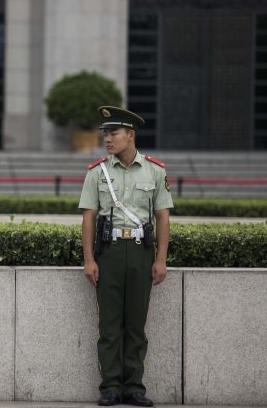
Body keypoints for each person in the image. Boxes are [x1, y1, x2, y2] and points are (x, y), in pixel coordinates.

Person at [78, 106, 173, 407]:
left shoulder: (155, 171)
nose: (107, 139)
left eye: (113, 133)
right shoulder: (97, 172)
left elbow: (163, 218)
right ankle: (110, 388)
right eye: (105, 134)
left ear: (130, 135)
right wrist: (90, 259)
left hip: (142, 253)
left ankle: (134, 387)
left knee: (136, 324)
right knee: (109, 325)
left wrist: (160, 259)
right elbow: (89, 219)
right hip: (110, 253)